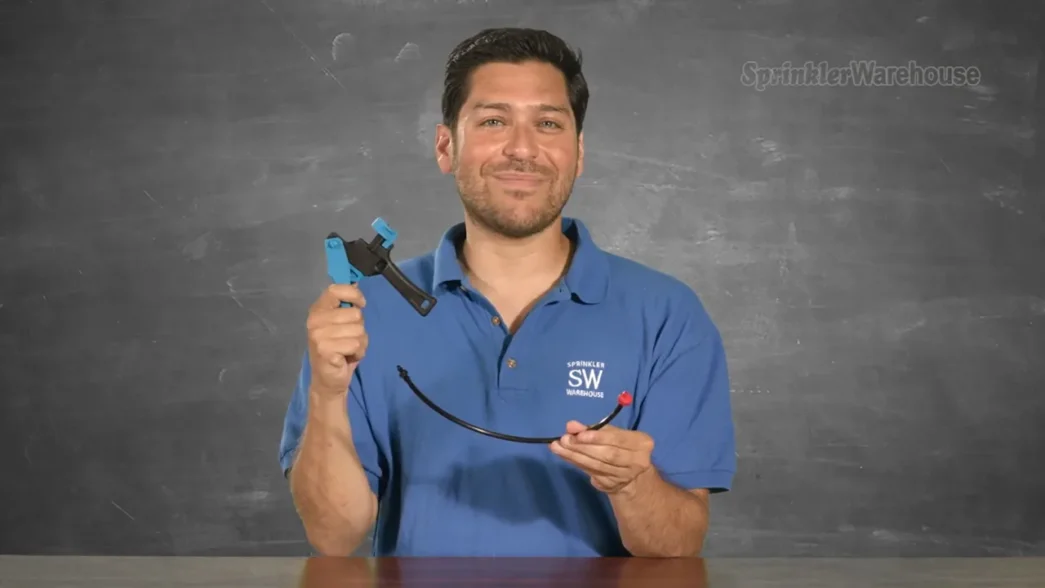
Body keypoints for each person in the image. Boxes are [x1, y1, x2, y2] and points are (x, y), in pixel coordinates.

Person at [278, 27, 736, 558]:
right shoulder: (363, 310)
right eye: (494, 121)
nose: (522, 149)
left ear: (578, 152)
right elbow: (334, 536)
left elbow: (679, 545)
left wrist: (634, 485)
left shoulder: (667, 315)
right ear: (446, 146)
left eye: (548, 123)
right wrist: (327, 393)